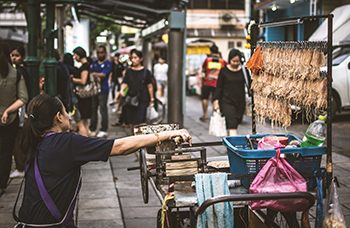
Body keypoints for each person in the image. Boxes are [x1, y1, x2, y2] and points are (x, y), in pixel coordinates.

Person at [14, 93, 192, 227]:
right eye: (66, 111)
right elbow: (120, 147)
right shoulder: (65, 143)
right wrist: (166, 134)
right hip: (49, 223)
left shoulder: (35, 141)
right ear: (58, 117)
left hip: (29, 220)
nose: (69, 114)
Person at [0, 41, 28, 195]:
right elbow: (23, 98)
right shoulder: (16, 74)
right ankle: (1, 184)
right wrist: (7, 111)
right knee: (5, 152)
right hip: (9, 119)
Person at [213, 49, 251, 136]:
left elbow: (249, 84)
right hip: (226, 102)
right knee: (232, 125)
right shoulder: (224, 71)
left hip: (240, 103)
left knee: (233, 124)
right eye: (233, 61)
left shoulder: (243, 70)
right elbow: (219, 87)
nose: (235, 63)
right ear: (229, 60)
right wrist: (216, 101)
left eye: (237, 61)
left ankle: (228, 144)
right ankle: (232, 147)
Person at [120, 49, 154, 134]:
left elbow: (150, 86)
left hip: (142, 99)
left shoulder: (146, 72)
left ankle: (142, 141)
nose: (133, 60)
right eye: (132, 58)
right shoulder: (129, 71)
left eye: (135, 57)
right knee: (132, 122)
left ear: (141, 59)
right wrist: (121, 90)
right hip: (131, 98)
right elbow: (125, 83)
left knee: (141, 121)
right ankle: (134, 139)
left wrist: (152, 99)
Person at [9, 45, 30, 179]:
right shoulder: (22, 70)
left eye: (16, 55)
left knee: (19, 138)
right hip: (23, 108)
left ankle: (20, 166)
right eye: (12, 55)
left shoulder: (19, 72)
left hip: (21, 109)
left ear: (22, 57)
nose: (14, 58)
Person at [200, 44, 228, 121]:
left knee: (205, 98)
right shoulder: (222, 61)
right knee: (215, 99)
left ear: (211, 51)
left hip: (207, 82)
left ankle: (205, 114)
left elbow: (203, 69)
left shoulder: (207, 60)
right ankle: (214, 114)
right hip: (217, 83)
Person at [89, 45, 112, 138]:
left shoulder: (108, 63)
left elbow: (103, 75)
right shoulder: (94, 63)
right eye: (98, 52)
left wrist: (94, 74)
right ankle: (92, 128)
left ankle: (103, 129)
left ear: (105, 53)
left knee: (103, 109)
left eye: (101, 52)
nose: (100, 54)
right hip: (94, 90)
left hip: (103, 89)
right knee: (93, 109)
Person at [71, 47, 91, 137]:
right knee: (85, 122)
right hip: (86, 98)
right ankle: (87, 142)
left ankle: (84, 143)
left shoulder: (85, 66)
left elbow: (83, 81)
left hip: (83, 98)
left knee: (80, 122)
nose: (74, 57)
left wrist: (72, 79)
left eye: (75, 55)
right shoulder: (87, 65)